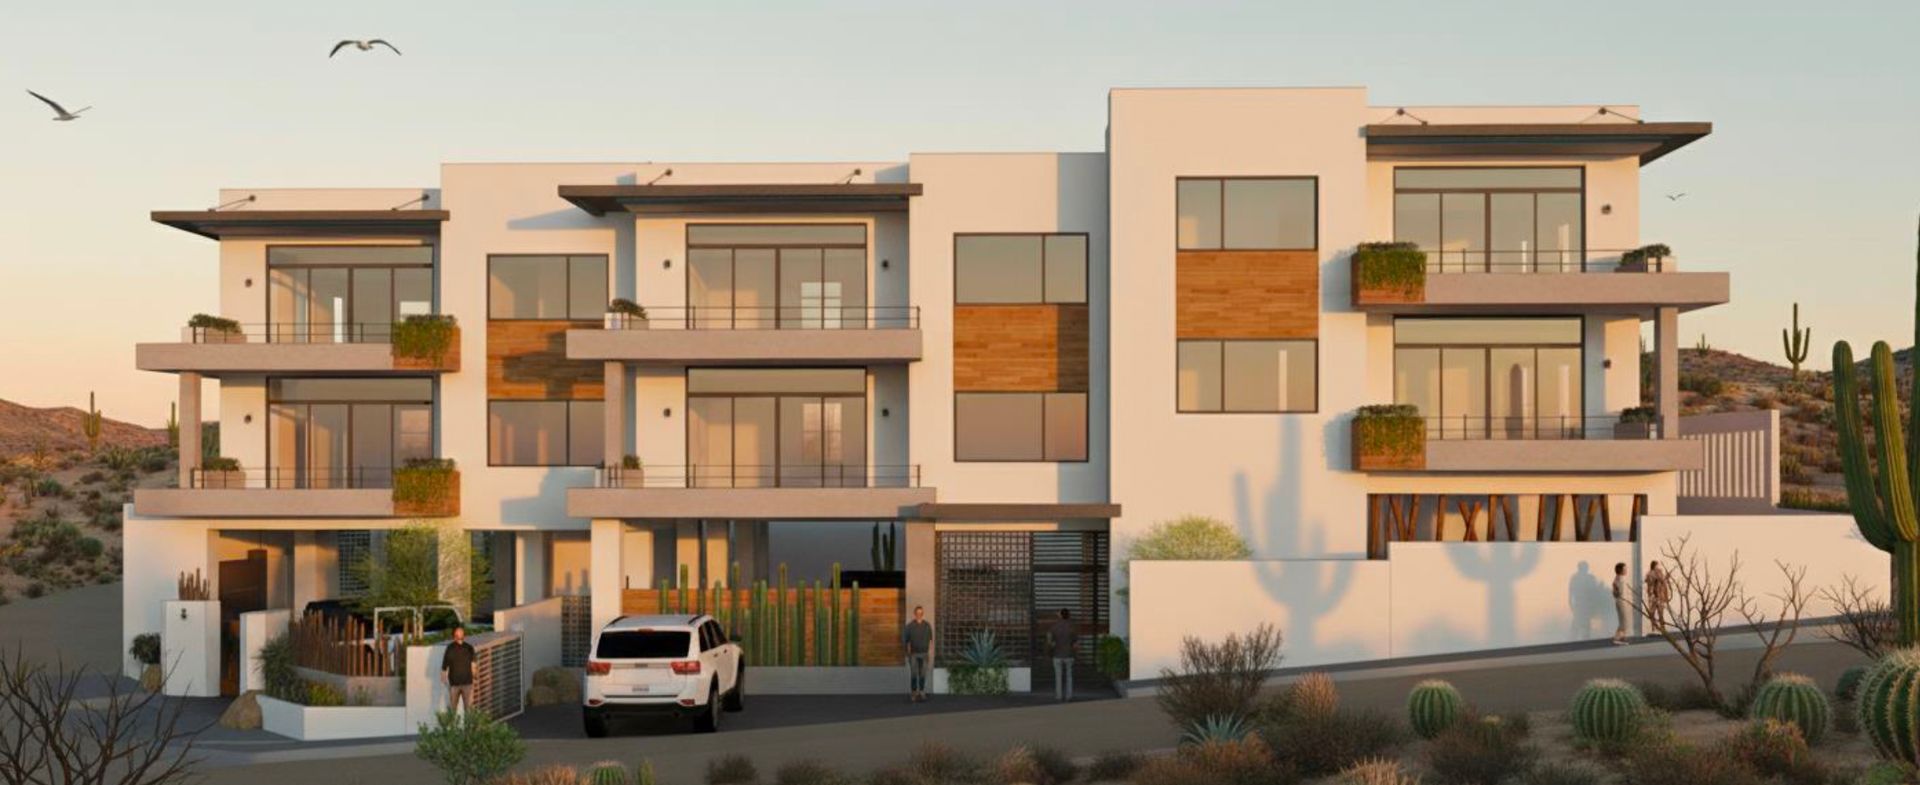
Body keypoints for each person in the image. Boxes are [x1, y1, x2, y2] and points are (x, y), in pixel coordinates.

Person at [441, 624, 476, 712]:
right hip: (457, 684)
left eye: (460, 634)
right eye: (458, 634)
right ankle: (457, 725)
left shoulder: (468, 648)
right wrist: (444, 677)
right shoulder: (451, 648)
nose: (459, 636)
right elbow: (444, 665)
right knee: (458, 709)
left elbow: (473, 664)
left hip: (463, 683)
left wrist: (475, 677)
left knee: (463, 709)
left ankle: (463, 725)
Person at [903, 606, 933, 703]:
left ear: (922, 614)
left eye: (921, 613)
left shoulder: (927, 625)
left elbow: (931, 640)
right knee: (914, 674)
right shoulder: (910, 626)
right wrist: (908, 654)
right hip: (914, 655)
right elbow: (906, 641)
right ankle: (914, 692)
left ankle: (922, 691)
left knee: (923, 674)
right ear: (915, 613)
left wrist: (930, 652)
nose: (919, 614)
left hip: (924, 654)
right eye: (917, 613)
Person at [1047, 608, 1076, 702]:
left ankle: (1059, 696)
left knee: (1058, 676)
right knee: (1069, 676)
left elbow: (1049, 641)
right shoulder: (1072, 627)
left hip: (1057, 655)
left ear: (1060, 615)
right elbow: (1076, 644)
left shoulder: (1054, 627)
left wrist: (1051, 647)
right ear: (1068, 615)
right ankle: (1069, 696)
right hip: (1069, 654)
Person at [1645, 561, 1671, 631]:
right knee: (1654, 612)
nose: (1659, 567)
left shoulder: (1656, 573)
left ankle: (1659, 628)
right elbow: (1661, 581)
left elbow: (1663, 583)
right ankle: (1656, 628)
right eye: (1657, 565)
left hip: (1658, 595)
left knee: (1659, 613)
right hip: (1655, 595)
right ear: (1654, 566)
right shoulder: (1653, 573)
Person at [1610, 563, 1632, 645]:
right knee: (1624, 621)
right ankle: (1617, 638)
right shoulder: (1621, 579)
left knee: (1623, 620)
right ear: (1621, 570)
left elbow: (1615, 593)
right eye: (1625, 569)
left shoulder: (1617, 579)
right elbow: (1620, 592)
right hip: (1622, 602)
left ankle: (1622, 637)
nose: (1626, 570)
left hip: (1620, 601)